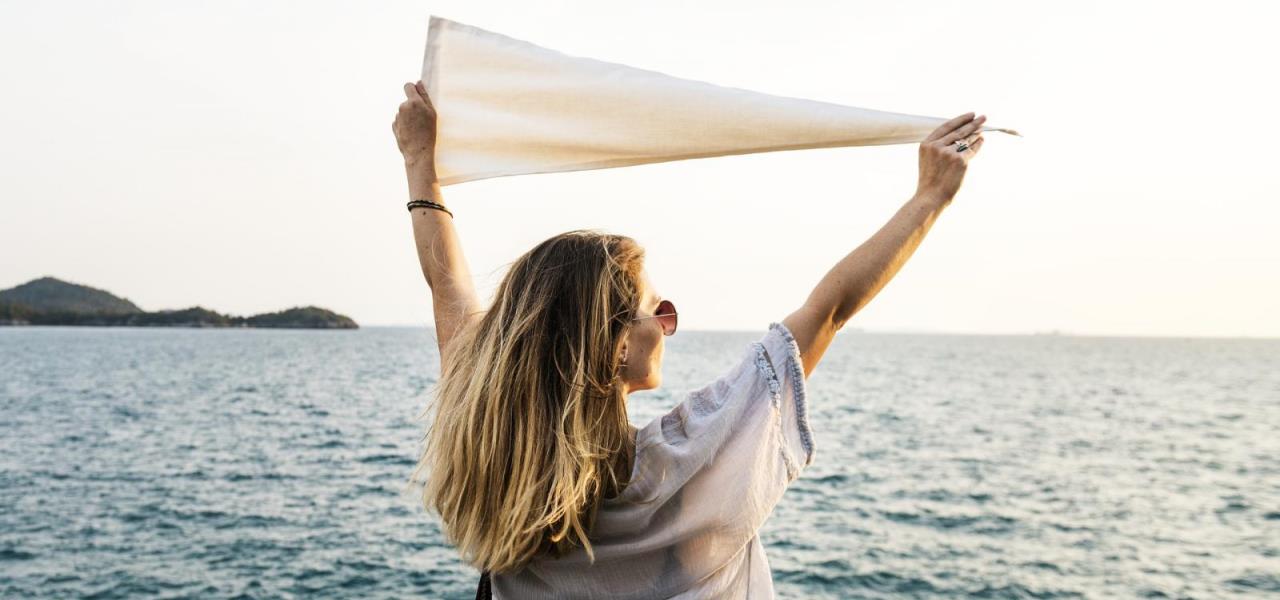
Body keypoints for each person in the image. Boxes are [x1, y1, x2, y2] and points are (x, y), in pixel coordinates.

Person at [393, 80, 986, 599]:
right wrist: (931, 196)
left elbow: (448, 289)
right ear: (616, 346)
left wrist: (419, 160)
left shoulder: (489, 450)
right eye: (660, 311)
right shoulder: (686, 464)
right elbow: (827, 311)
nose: (671, 325)